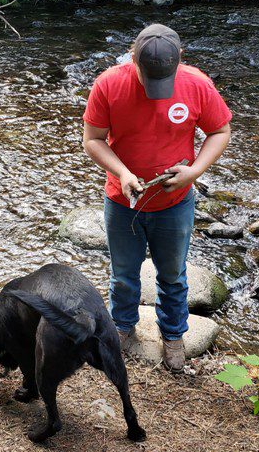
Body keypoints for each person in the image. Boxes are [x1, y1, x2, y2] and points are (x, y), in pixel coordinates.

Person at [82, 23, 231, 372]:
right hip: (123, 202)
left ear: (180, 58)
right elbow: (93, 139)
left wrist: (193, 172)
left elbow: (220, 131)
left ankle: (174, 335)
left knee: (173, 276)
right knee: (123, 274)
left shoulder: (197, 84)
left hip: (175, 205)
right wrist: (122, 172)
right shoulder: (109, 84)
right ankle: (121, 327)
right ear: (132, 58)